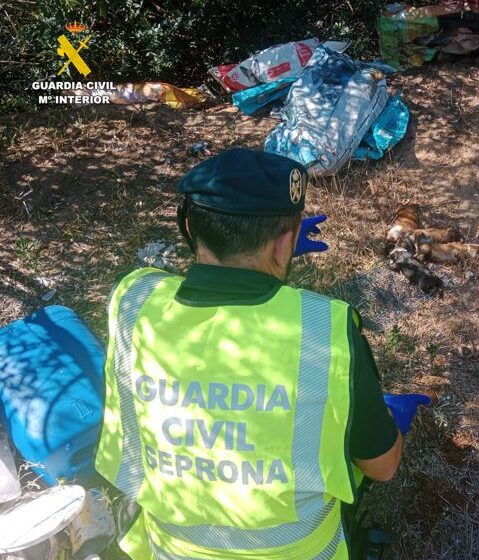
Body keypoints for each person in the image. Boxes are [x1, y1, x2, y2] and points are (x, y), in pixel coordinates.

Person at [94, 148, 428, 560]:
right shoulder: (327, 327)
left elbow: (204, 292)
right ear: (285, 241)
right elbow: (383, 467)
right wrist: (389, 423)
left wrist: (259, 256)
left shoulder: (133, 298)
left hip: (169, 549)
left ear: (189, 227)